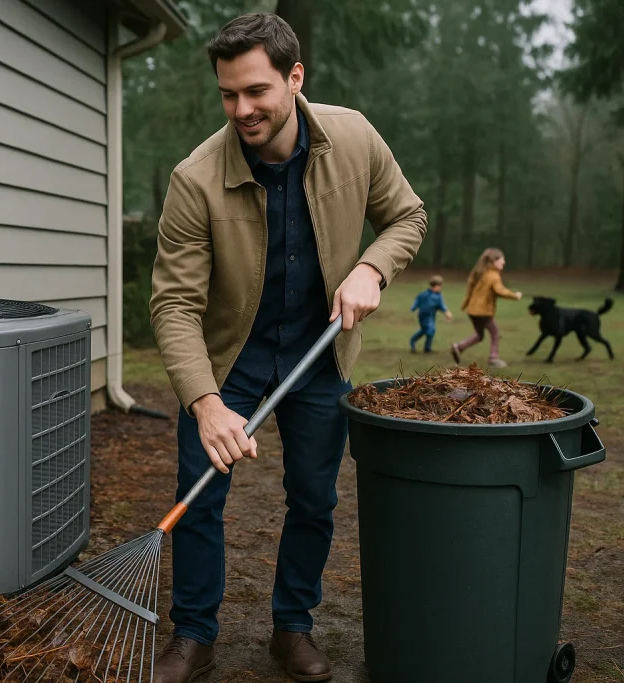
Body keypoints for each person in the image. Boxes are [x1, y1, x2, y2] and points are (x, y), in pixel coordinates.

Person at [148, 13, 427, 682]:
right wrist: (205, 401)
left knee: (314, 497)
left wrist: (373, 267)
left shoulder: (354, 137)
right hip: (228, 362)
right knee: (201, 493)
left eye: (256, 91)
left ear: (295, 78)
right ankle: (194, 634)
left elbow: (407, 215)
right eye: (227, 94)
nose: (241, 109)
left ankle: (292, 625)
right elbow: (174, 303)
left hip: (320, 356)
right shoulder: (195, 179)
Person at [450, 248, 522, 368]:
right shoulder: (493, 275)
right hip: (483, 311)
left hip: (473, 310)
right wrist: (515, 295)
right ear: (494, 261)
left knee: (479, 335)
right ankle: (494, 358)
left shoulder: (481, 273)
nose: (504, 262)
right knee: (495, 333)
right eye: (501, 260)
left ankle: (459, 347)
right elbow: (500, 290)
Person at [409, 275, 453, 353]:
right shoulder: (424, 294)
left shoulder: (438, 296)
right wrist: (414, 307)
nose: (440, 288)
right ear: (434, 286)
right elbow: (418, 300)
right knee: (430, 330)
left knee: (425, 330)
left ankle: (414, 341)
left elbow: (441, 306)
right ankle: (426, 348)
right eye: (439, 286)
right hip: (423, 316)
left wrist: (447, 312)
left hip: (431, 316)